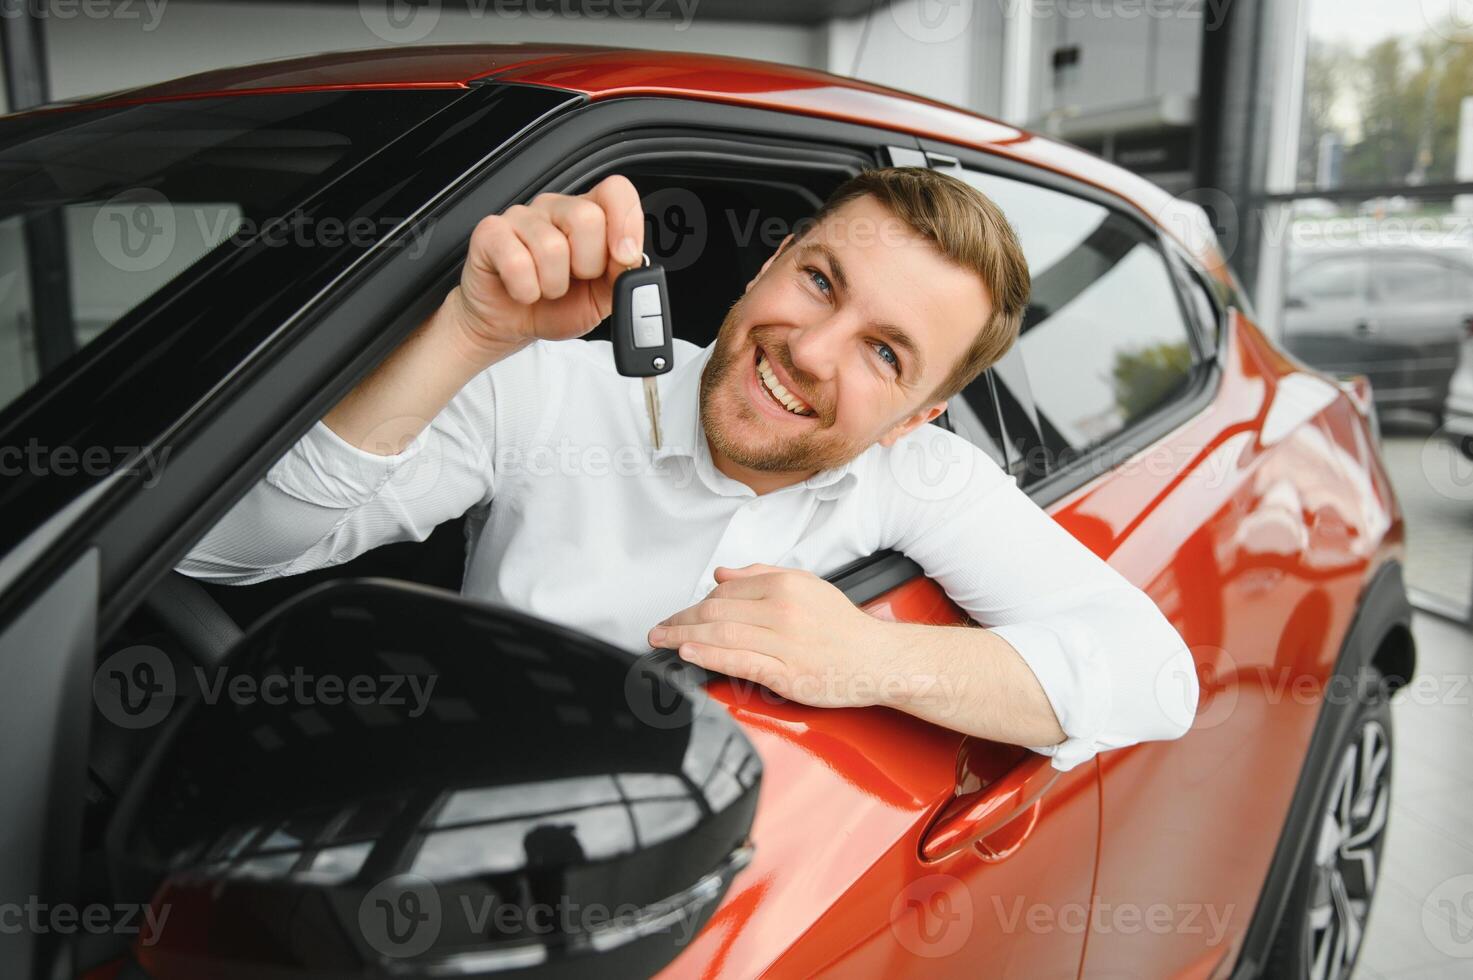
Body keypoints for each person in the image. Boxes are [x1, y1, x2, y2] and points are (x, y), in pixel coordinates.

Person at [179, 167, 1198, 771]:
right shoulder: (546, 390)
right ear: (767, 264)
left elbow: (1158, 679)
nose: (810, 348)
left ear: (918, 416)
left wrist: (868, 660)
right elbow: (229, 549)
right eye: (818, 280)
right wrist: (468, 332)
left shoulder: (921, 476)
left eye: (885, 353)